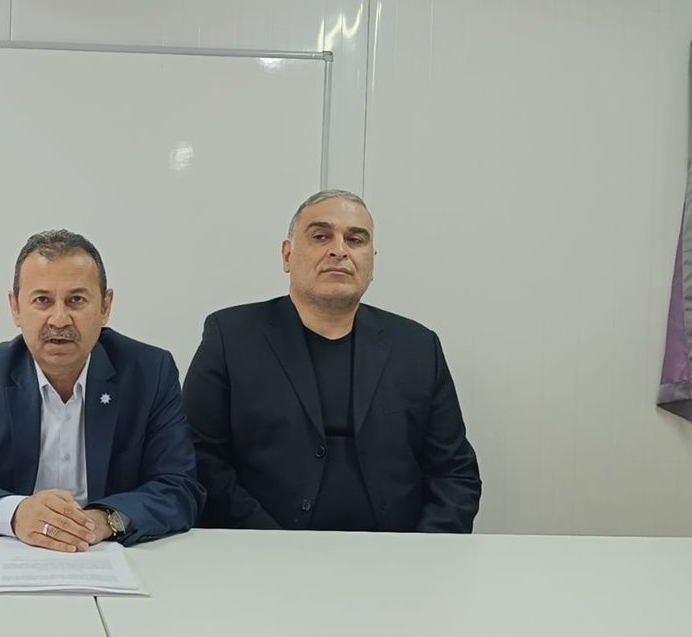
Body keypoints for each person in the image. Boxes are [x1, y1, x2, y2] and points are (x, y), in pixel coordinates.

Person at [183, 190, 480, 532]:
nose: (339, 250)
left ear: (372, 261)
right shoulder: (231, 337)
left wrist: (420, 550)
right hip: (261, 551)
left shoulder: (418, 347)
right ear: (287, 255)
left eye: (356, 239)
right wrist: (269, 546)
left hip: (397, 554)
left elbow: (454, 473)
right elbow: (201, 458)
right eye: (321, 236)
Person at [0, 229, 204, 549]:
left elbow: (179, 489)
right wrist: (15, 514)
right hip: (12, 553)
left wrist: (104, 521)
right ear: (15, 308)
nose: (60, 319)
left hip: (105, 551)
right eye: (43, 300)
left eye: (76, 300)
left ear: (105, 307)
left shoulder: (149, 372)